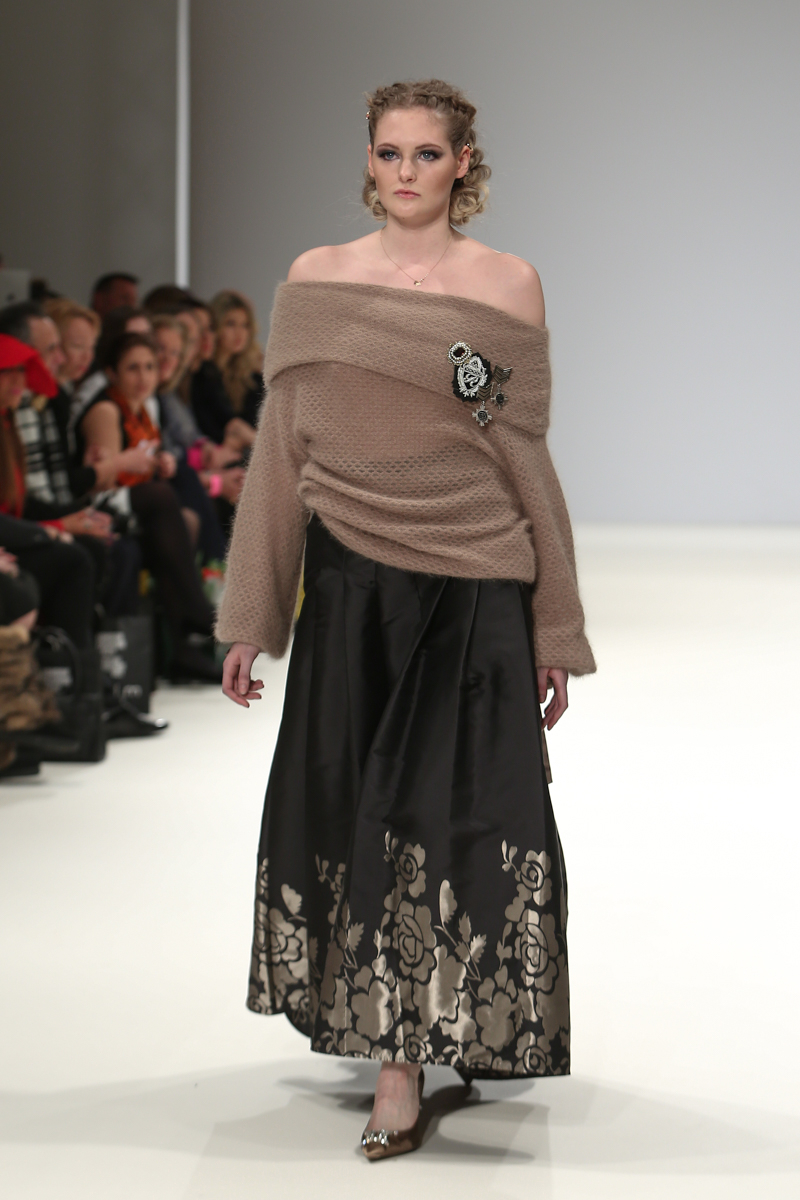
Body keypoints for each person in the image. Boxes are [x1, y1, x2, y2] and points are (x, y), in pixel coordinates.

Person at [216, 80, 596, 1160]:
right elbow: (281, 452)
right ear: (369, 159)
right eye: (389, 153)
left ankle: (405, 1066)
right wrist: (251, 612)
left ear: (462, 162)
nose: (405, 173)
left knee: (456, 817)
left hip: (474, 586)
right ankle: (404, 1047)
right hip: (350, 594)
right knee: (360, 808)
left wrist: (553, 625)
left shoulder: (507, 284)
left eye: (427, 154)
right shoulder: (317, 278)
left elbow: (522, 456)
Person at [78, 332, 221, 681]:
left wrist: (161, 463)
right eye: (132, 368)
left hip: (136, 506)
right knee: (162, 498)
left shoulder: (148, 406)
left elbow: (142, 465)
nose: (143, 377)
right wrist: (138, 467)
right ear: (111, 373)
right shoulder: (105, 410)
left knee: (177, 520)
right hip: (99, 507)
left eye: (149, 367)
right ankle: (200, 615)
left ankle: (184, 650)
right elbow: (102, 484)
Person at [210, 290, 264, 428]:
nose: (239, 333)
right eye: (231, 324)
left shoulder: (250, 377)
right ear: (216, 325)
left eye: (245, 325)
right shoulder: (204, 373)